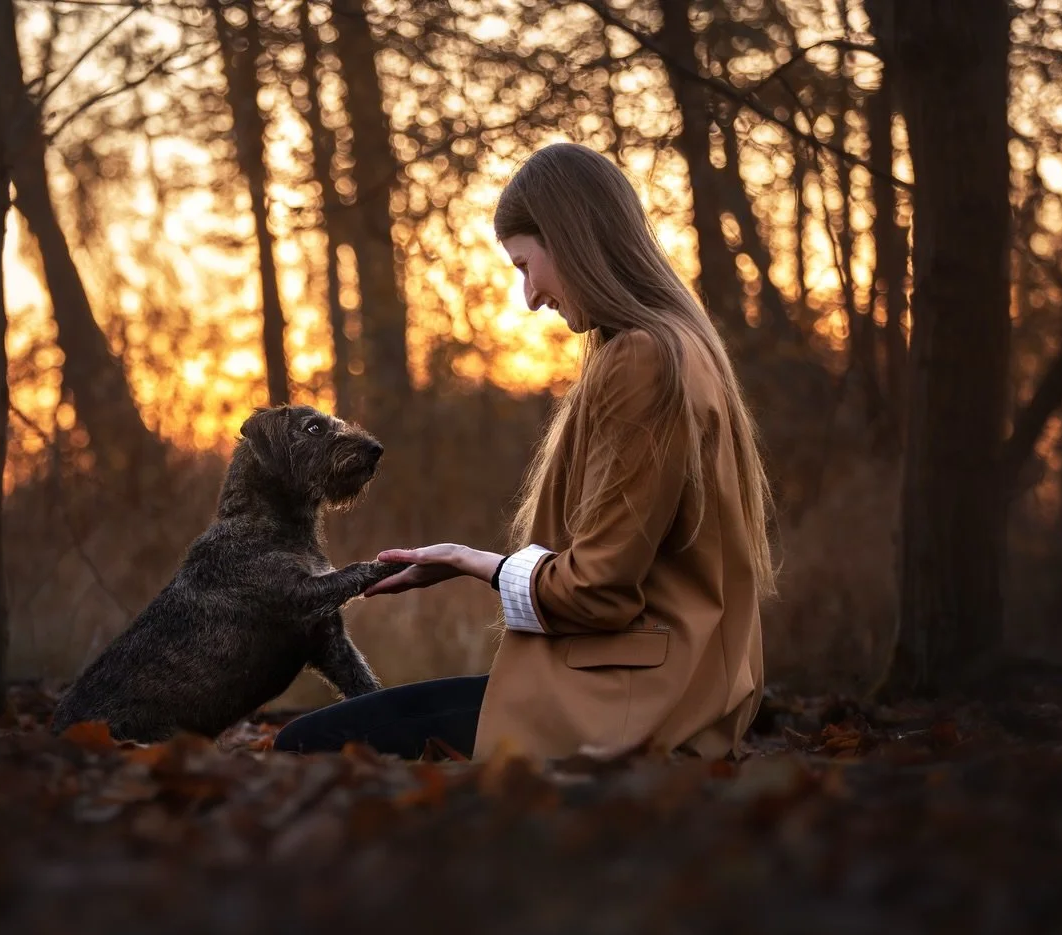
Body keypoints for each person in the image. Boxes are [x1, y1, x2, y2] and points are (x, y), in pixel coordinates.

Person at [273, 142, 775, 762]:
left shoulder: (643, 360)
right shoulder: (683, 347)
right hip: (655, 687)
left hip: (629, 705)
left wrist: (473, 562)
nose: (531, 296)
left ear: (571, 240)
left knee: (309, 746)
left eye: (524, 265)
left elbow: (596, 590)